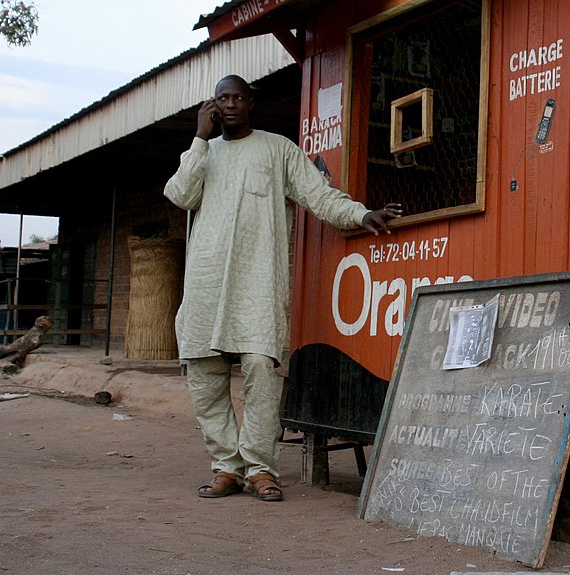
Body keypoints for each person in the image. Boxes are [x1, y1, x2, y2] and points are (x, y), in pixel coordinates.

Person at [165, 74, 402, 502]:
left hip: (256, 283)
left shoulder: (277, 149)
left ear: (251, 103)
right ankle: (225, 468)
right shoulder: (203, 153)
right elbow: (180, 195)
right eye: (223, 98)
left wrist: (360, 214)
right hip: (204, 284)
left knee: (260, 370)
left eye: (239, 97)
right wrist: (199, 139)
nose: (231, 104)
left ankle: (260, 469)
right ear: (213, 106)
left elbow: (319, 195)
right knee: (204, 377)